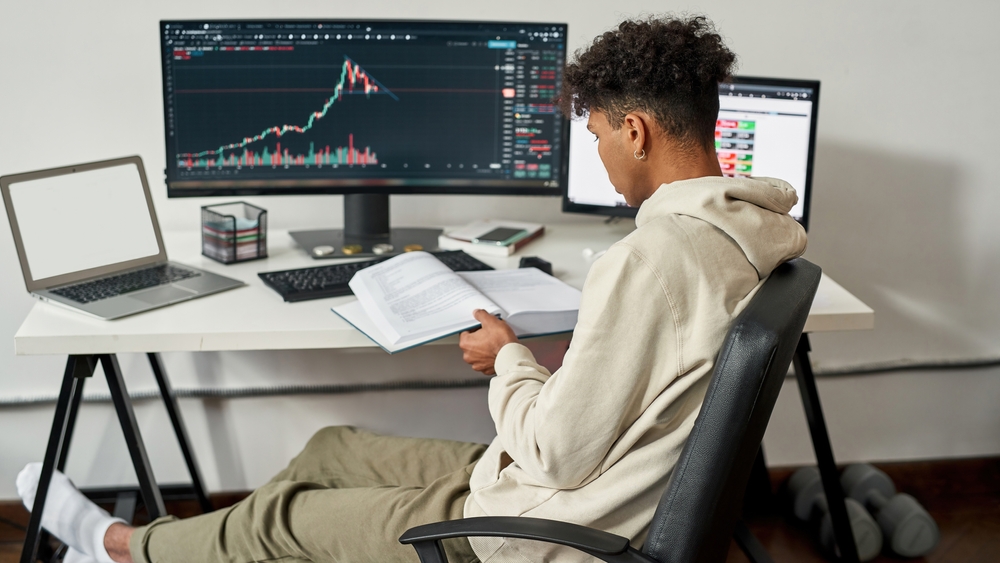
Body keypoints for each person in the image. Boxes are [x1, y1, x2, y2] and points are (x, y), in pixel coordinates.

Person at [16, 14, 806, 563]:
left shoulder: (650, 259)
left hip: (534, 532)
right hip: (557, 489)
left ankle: (120, 547)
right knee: (331, 449)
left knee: (287, 514)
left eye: (596, 132)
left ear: (635, 129)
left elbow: (560, 453)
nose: (597, 152)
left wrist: (510, 358)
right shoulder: (754, 231)